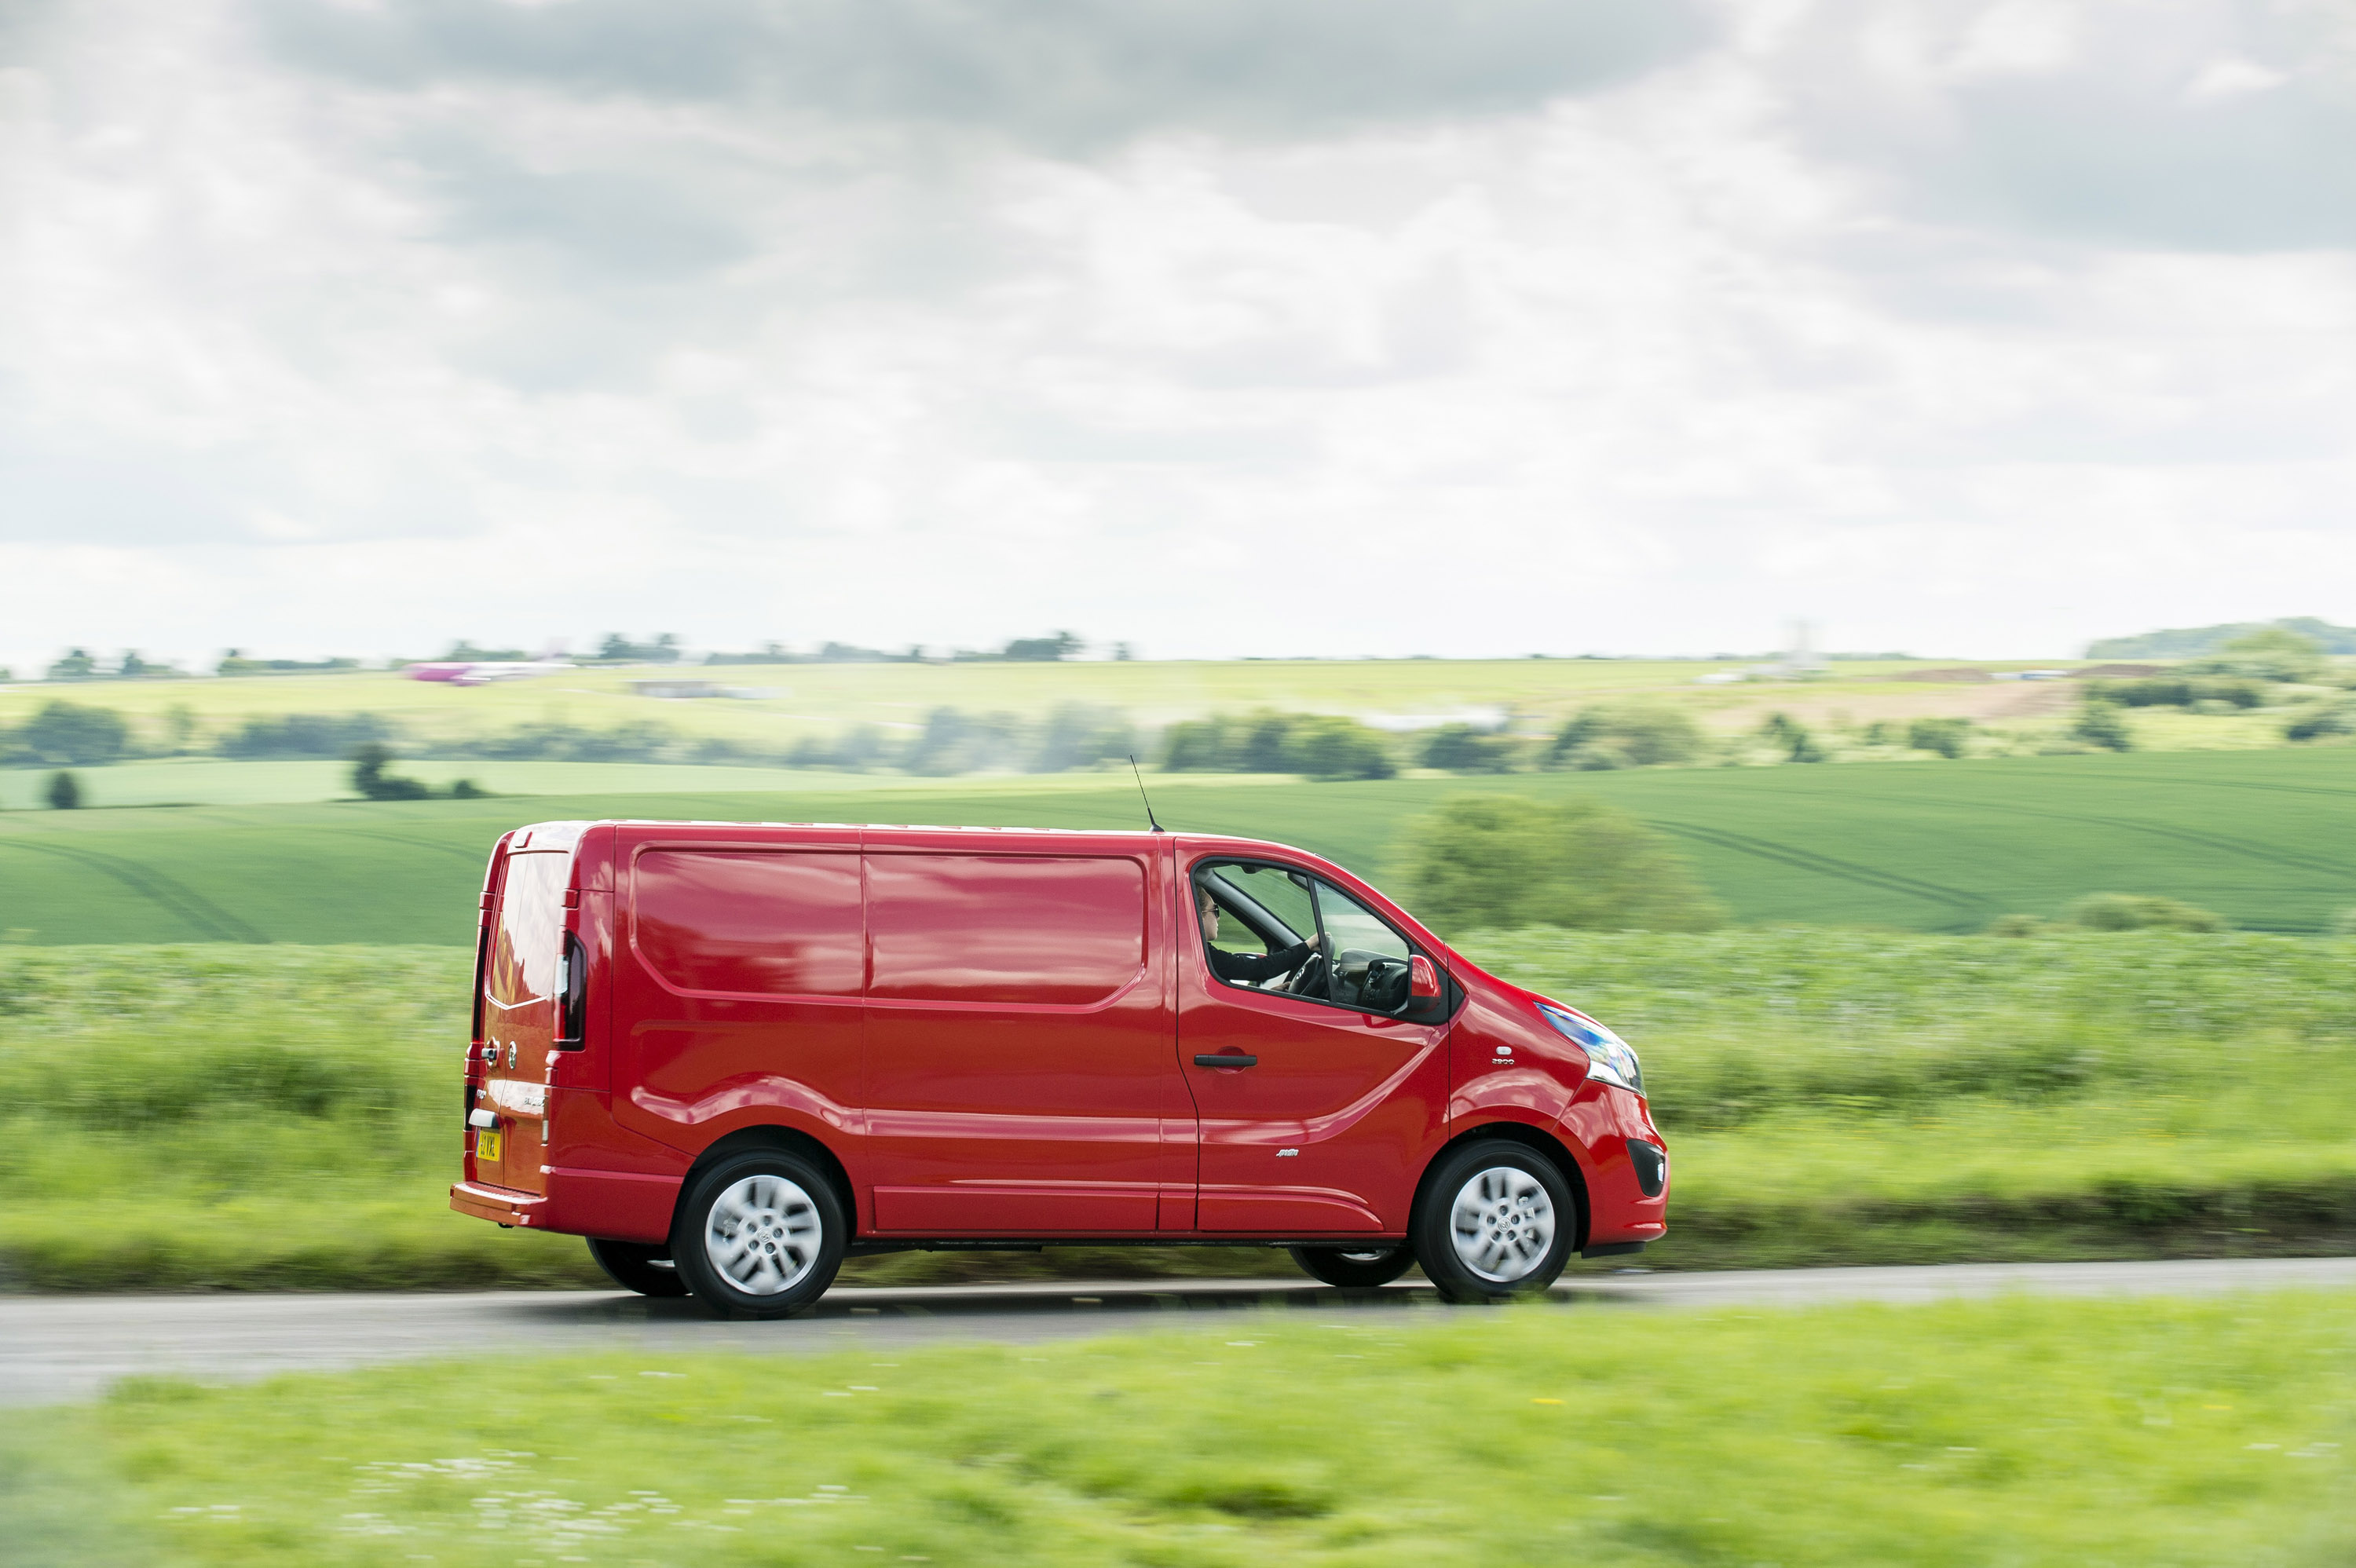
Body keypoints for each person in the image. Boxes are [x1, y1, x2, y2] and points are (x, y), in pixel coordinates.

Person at [1197, 883, 1323, 985]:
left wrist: (1271, 994)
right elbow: (1260, 968)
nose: (1218, 918)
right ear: (1199, 914)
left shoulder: (1198, 952)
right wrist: (1309, 945)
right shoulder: (1202, 956)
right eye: (1215, 910)